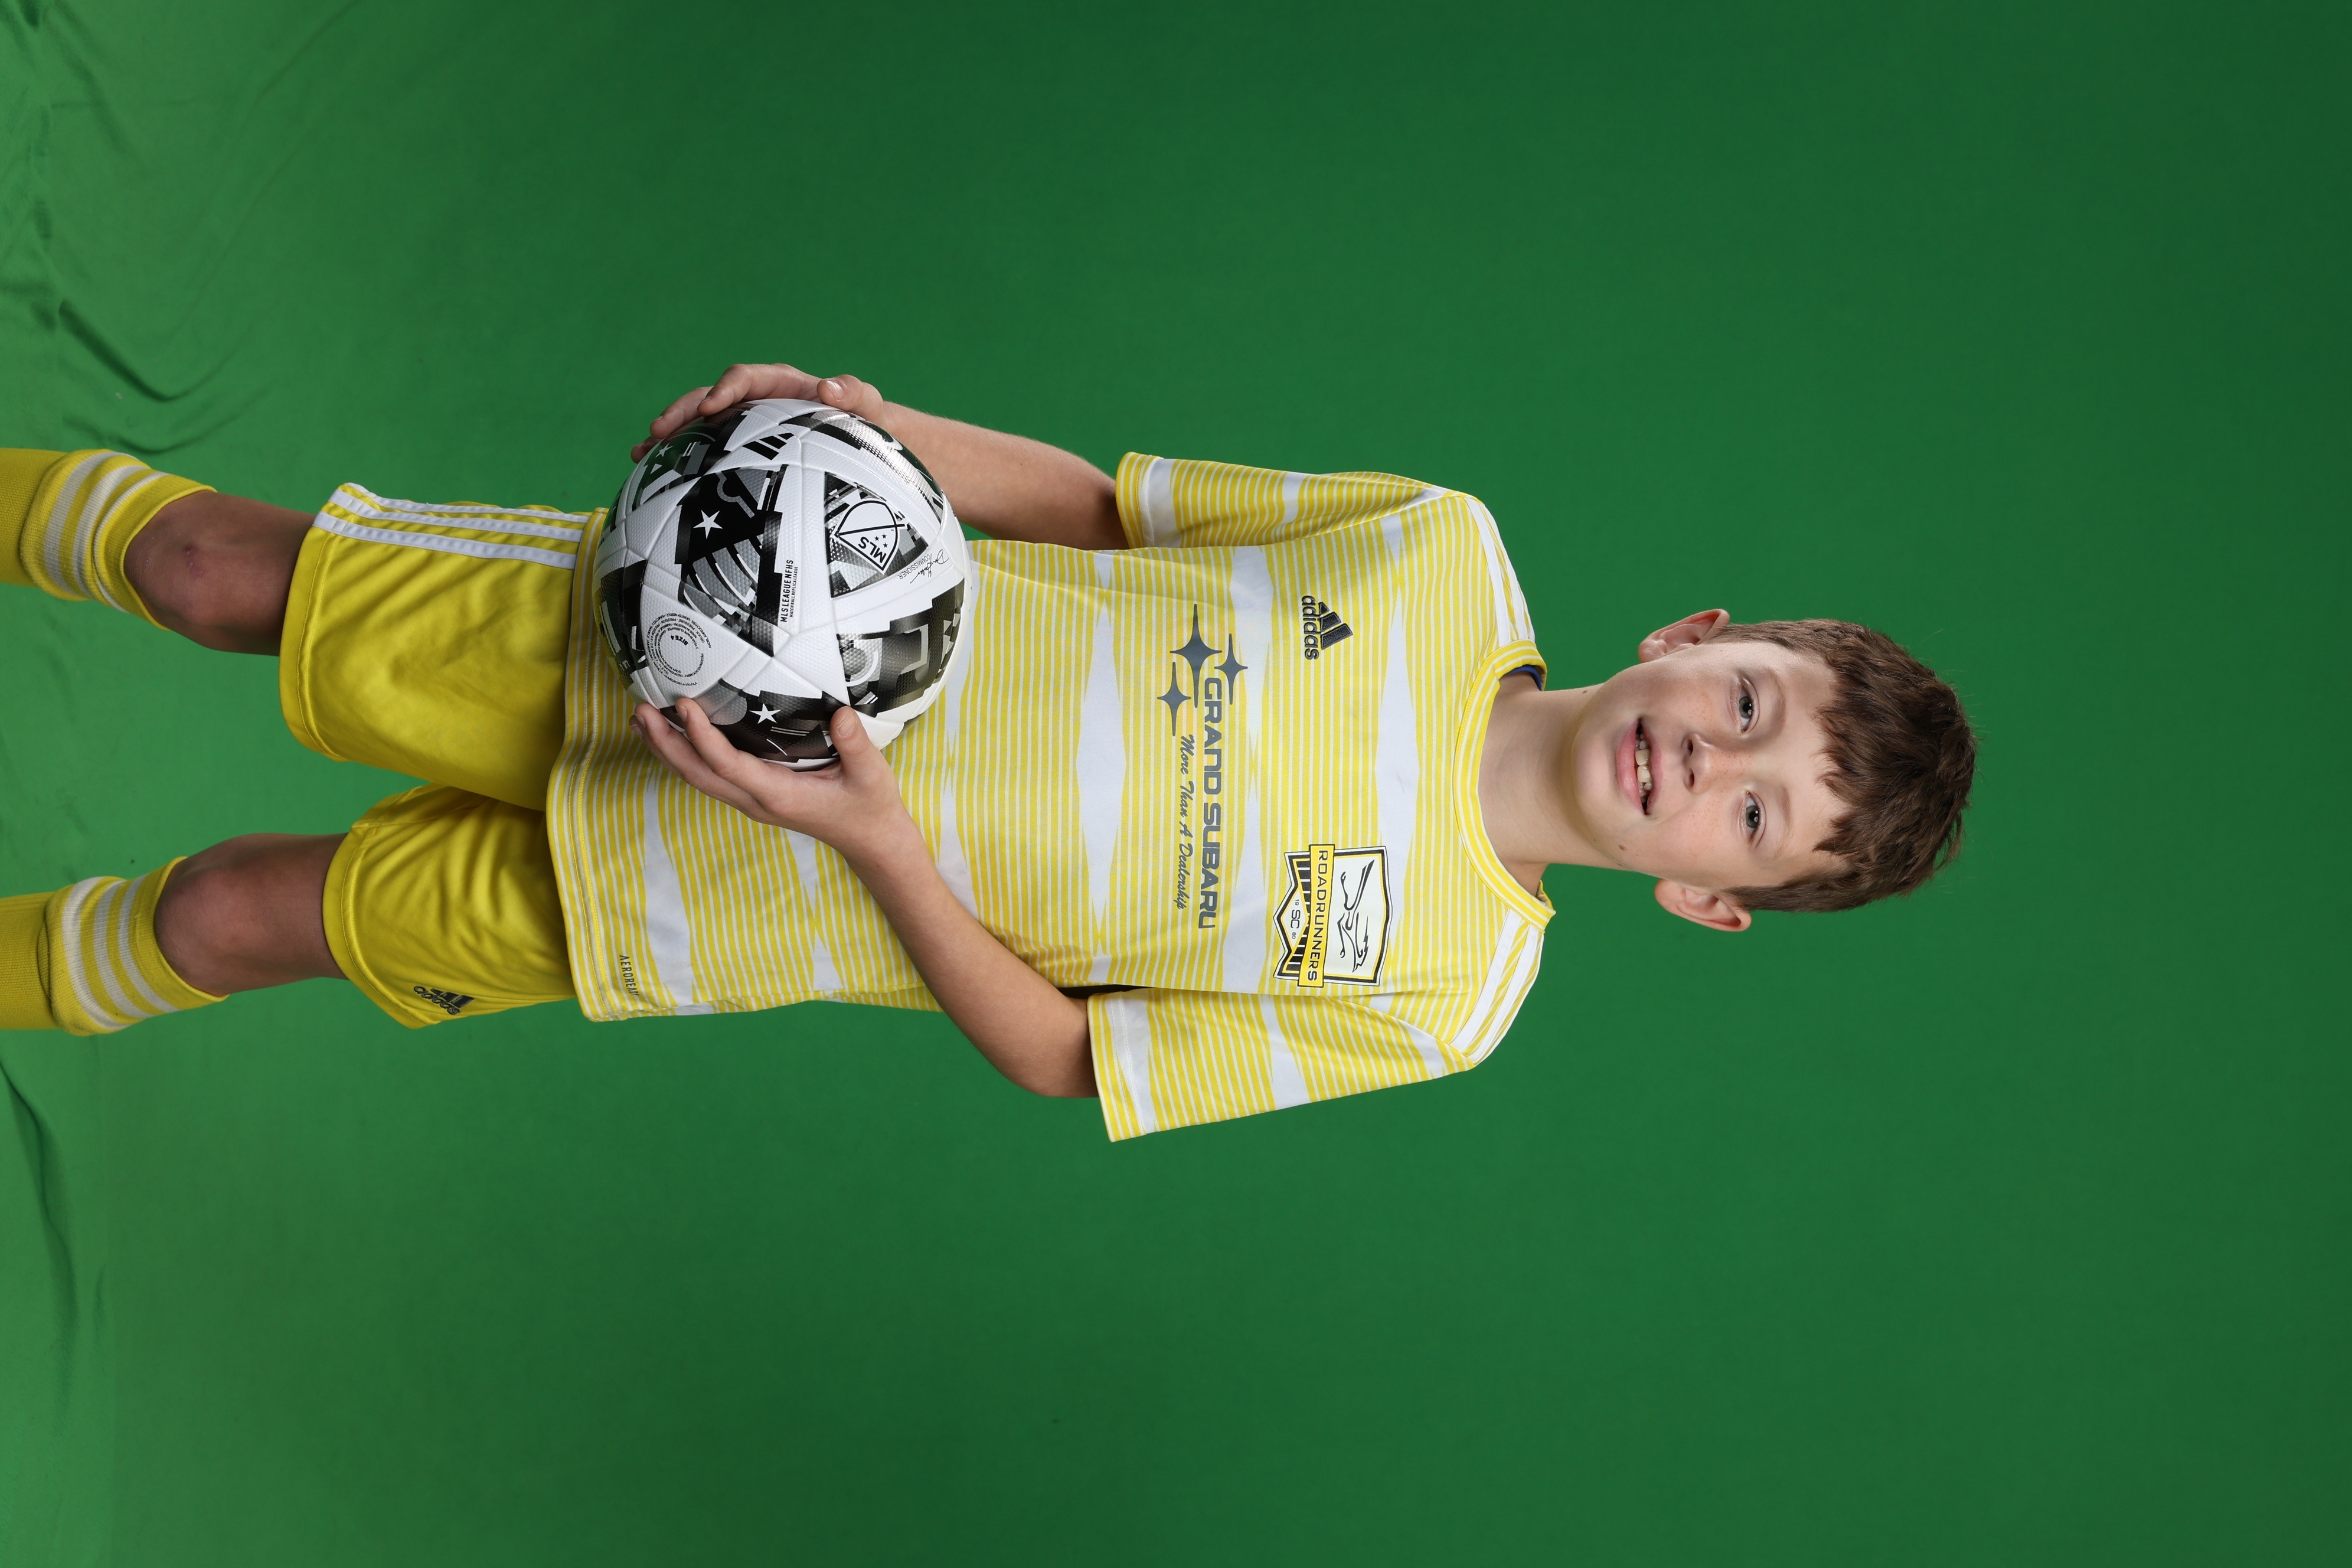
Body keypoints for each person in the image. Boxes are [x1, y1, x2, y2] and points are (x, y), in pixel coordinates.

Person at [0, 363, 1975, 1139]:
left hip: (697, 895)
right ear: (1695, 640)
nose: (1708, 761)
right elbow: (1110, 513)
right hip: (679, 628)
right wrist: (867, 424)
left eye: (1756, 814)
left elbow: (1069, 1056)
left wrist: (875, 841)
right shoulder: (1439, 552)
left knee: (236, 911)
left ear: (1712, 900)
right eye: (1749, 705)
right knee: (203, 571)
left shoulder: (1447, 1001)